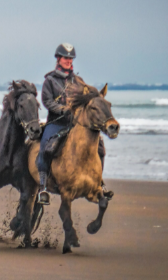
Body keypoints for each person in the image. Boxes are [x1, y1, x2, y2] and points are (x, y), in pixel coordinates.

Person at [36, 43, 106, 205]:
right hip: (56, 123)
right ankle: (43, 187)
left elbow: (88, 99)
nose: (68, 61)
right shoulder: (50, 81)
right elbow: (47, 102)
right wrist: (63, 109)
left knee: (100, 147)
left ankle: (99, 183)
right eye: (65, 58)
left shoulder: (79, 81)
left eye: (70, 58)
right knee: (46, 148)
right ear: (58, 59)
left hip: (75, 125)